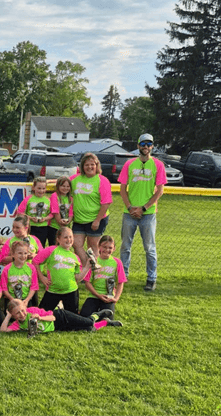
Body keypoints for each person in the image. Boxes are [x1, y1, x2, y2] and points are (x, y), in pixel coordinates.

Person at [118, 133, 167, 292]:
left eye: (149, 144)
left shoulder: (158, 165)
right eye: (143, 143)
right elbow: (122, 189)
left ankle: (151, 278)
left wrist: (143, 208)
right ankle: (123, 276)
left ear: (152, 146)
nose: (146, 146)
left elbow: (159, 191)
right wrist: (131, 207)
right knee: (125, 246)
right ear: (138, 146)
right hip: (129, 213)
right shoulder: (129, 164)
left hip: (148, 213)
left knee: (150, 247)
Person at [70, 152, 112, 272]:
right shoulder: (75, 179)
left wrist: (97, 220)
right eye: (87, 165)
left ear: (97, 165)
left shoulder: (102, 181)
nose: (89, 167)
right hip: (79, 219)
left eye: (92, 164)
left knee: (92, 246)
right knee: (76, 244)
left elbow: (106, 203)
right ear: (82, 166)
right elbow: (63, 184)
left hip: (96, 219)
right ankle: (88, 268)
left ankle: (91, 272)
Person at [32, 227, 89, 314]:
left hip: (71, 291)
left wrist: (87, 267)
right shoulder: (51, 250)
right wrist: (41, 277)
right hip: (53, 290)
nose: (68, 240)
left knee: (72, 323)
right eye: (65, 237)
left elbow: (77, 278)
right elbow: (35, 261)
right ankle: (59, 308)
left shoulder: (75, 257)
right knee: (41, 316)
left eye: (70, 237)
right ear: (58, 239)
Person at [0, 299, 120, 337]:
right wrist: (8, 316)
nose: (22, 314)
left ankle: (97, 315)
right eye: (17, 313)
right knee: (89, 329)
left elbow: (52, 318)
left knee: (88, 321)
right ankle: (106, 322)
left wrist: (40, 318)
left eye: (22, 310)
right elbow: (3, 330)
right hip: (58, 327)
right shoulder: (17, 324)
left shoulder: (32, 311)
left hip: (60, 316)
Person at [80, 235, 127, 318]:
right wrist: (98, 295)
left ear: (114, 248)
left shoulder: (117, 262)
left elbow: (121, 282)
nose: (107, 250)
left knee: (108, 317)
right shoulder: (94, 261)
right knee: (84, 315)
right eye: (104, 247)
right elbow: (87, 282)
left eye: (110, 247)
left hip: (108, 297)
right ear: (99, 247)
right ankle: (94, 316)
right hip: (94, 295)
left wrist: (115, 298)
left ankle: (97, 317)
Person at [0, 239, 40, 308]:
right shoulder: (7, 269)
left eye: (25, 253)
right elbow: (4, 288)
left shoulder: (31, 268)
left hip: (26, 300)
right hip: (12, 300)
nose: (23, 256)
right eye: (20, 253)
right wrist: (11, 299)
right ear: (13, 254)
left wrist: (27, 300)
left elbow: (34, 286)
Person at [18, 177, 54, 246]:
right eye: (39, 188)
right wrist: (30, 218)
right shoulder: (29, 199)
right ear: (33, 188)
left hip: (43, 227)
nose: (41, 191)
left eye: (43, 188)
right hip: (30, 227)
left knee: (40, 246)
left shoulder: (48, 200)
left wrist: (45, 219)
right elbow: (20, 213)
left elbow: (52, 214)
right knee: (29, 245)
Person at [49, 176, 74, 244]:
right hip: (54, 226)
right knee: (54, 246)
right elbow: (55, 211)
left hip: (66, 227)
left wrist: (68, 221)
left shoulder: (70, 198)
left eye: (68, 186)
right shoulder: (54, 196)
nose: (65, 188)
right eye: (63, 186)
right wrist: (60, 221)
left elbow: (71, 213)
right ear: (58, 186)